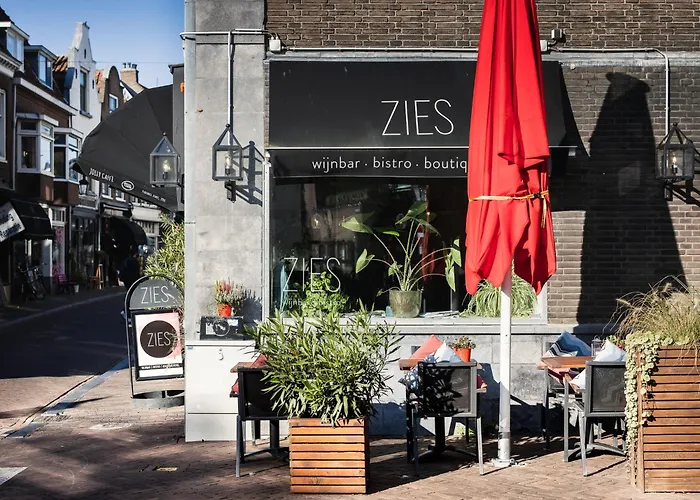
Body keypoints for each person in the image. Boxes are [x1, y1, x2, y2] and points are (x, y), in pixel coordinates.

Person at [119, 250, 142, 320]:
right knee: (132, 295)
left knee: (129, 293)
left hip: (127, 279)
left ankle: (126, 311)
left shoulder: (127, 260)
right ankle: (127, 312)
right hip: (133, 280)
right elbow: (137, 272)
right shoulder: (135, 261)